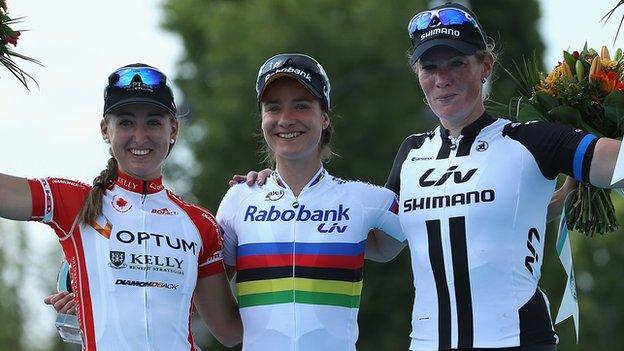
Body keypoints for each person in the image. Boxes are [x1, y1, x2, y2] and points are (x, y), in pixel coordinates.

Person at [384, 2, 623, 350]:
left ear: (486, 65)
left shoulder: (532, 140)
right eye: (429, 67)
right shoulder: (410, 153)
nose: (442, 79)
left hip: (519, 341)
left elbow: (616, 166)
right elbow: (382, 245)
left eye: (456, 63)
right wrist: (282, 191)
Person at [0, 63, 242, 350]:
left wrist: (270, 188)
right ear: (106, 130)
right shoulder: (75, 202)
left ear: (173, 128)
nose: (140, 136)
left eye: (153, 122)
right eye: (126, 122)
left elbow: (230, 331)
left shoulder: (200, 224)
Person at [216, 53, 406, 351]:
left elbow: (407, 248)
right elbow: (209, 299)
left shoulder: (369, 201)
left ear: (325, 116)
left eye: (302, 105)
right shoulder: (238, 200)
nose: (286, 119)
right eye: (273, 108)